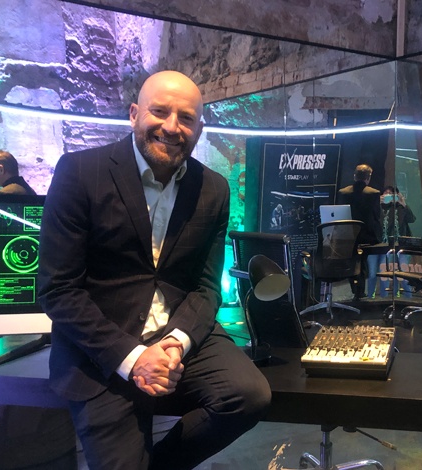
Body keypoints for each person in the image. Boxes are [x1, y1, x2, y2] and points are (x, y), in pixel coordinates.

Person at [38, 70, 271, 470]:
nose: (172, 127)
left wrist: (177, 343)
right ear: (134, 114)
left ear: (200, 128)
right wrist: (133, 358)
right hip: (102, 347)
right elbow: (58, 289)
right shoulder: (80, 172)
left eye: (186, 118)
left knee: (248, 395)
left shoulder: (214, 188)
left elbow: (206, 287)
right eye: (160, 112)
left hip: (177, 332)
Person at [337, 164, 382, 298]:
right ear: (368, 177)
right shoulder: (374, 193)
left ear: (355, 176)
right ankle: (360, 291)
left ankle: (356, 290)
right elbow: (376, 215)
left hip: (348, 235)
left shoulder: (343, 192)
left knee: (354, 261)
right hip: (367, 236)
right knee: (363, 262)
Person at [378, 186, 416, 298]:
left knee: (403, 274)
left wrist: (403, 203)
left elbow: (412, 219)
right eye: (386, 193)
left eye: (391, 193)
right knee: (384, 273)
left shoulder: (400, 207)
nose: (388, 195)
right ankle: (384, 298)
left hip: (402, 245)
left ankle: (408, 298)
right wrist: (377, 204)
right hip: (386, 245)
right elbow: (375, 222)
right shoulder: (380, 208)